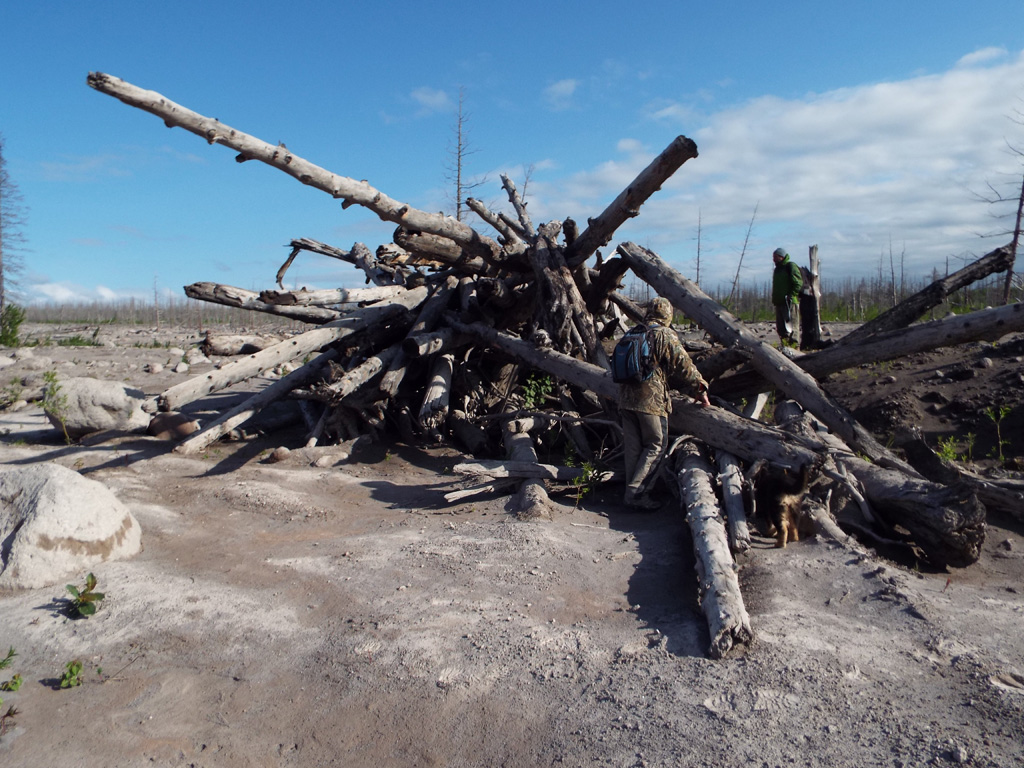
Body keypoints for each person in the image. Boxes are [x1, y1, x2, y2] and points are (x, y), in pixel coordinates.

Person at [619, 297, 710, 511]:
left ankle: (629, 491)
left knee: (633, 448)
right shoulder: (664, 334)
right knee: (656, 446)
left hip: (625, 398)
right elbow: (684, 365)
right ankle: (636, 494)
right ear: (667, 314)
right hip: (650, 400)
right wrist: (701, 387)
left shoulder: (632, 332)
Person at [772, 247, 803, 346]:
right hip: (779, 302)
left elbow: (798, 283)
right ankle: (785, 346)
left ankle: (794, 347)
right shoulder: (777, 269)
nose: (774, 259)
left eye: (776, 257)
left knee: (792, 327)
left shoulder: (790, 266)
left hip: (789, 302)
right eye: (773, 257)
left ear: (782, 256)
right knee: (781, 328)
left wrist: (791, 294)